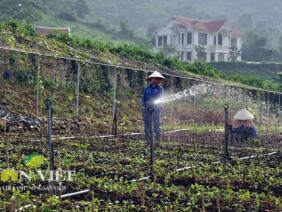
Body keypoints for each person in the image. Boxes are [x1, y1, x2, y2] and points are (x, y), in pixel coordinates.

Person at [141, 71, 165, 142]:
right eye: (156, 79)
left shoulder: (160, 89)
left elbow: (161, 98)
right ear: (153, 79)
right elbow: (144, 97)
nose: (157, 80)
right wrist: (143, 102)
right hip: (147, 108)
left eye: (158, 79)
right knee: (147, 123)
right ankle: (148, 139)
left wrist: (156, 103)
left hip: (156, 109)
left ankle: (157, 140)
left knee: (156, 123)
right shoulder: (147, 88)